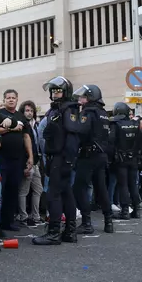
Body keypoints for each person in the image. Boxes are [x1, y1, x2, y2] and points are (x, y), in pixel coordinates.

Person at [33, 76, 82, 245]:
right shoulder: (58, 109)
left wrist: (68, 160)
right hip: (57, 156)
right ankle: (69, 231)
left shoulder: (68, 109)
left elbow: (72, 137)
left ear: (66, 92)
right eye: (53, 91)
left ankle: (54, 233)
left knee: (54, 194)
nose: (55, 94)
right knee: (66, 192)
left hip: (61, 158)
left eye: (58, 90)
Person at [72, 84, 114, 234]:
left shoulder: (88, 113)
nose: (81, 100)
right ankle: (108, 221)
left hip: (88, 155)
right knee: (101, 188)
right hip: (101, 156)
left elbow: (81, 132)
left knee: (78, 188)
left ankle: (86, 222)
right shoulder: (103, 113)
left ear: (91, 97)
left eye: (83, 97)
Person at [0, 89, 33, 231]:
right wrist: (12, 128)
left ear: (17, 100)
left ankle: (8, 221)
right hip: (1, 158)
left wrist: (30, 156)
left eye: (13, 98)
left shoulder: (20, 116)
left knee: (12, 191)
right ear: (4, 100)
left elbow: (26, 137)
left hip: (17, 160)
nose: (11, 100)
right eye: (8, 98)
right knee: (0, 191)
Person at [109, 102, 141, 219]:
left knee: (123, 185)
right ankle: (136, 210)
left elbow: (111, 141)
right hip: (133, 158)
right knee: (133, 184)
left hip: (121, 159)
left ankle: (125, 211)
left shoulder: (115, 124)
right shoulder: (135, 124)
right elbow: (140, 141)